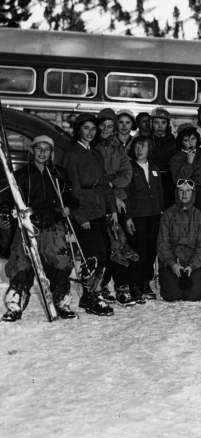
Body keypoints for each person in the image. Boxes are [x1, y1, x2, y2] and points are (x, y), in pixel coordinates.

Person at [2, 136, 77, 322]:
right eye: (38, 148)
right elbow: (7, 200)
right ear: (32, 150)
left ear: (52, 153)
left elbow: (70, 197)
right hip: (28, 226)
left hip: (53, 227)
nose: (42, 152)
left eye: (47, 149)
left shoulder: (59, 174)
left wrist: (69, 206)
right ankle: (15, 306)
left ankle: (61, 303)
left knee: (60, 264)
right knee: (21, 265)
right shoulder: (21, 175)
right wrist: (5, 213)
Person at [64, 113, 118, 316]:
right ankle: (92, 296)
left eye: (93, 129)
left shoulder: (95, 153)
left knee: (101, 253)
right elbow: (73, 188)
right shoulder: (73, 154)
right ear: (78, 130)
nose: (90, 132)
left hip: (99, 209)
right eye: (86, 128)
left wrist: (112, 209)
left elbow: (104, 183)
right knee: (93, 256)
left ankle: (92, 294)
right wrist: (81, 216)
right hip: (85, 211)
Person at [94, 108, 136, 305]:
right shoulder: (92, 147)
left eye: (110, 126)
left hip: (116, 199)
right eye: (103, 125)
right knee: (101, 247)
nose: (106, 129)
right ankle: (99, 286)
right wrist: (109, 192)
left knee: (119, 243)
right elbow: (92, 176)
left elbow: (126, 172)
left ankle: (122, 288)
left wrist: (112, 186)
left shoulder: (117, 147)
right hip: (97, 201)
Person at [170, 123, 201, 283]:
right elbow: (179, 181)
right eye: (186, 140)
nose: (190, 143)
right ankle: (190, 271)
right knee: (190, 232)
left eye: (193, 139)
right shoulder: (177, 158)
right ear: (181, 142)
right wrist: (189, 162)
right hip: (189, 194)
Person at [124, 135, 164, 302]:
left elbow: (159, 191)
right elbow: (125, 195)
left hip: (154, 216)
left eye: (143, 146)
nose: (140, 150)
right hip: (138, 216)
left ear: (150, 149)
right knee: (139, 251)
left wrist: (161, 211)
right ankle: (135, 285)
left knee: (151, 251)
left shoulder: (154, 167)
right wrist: (128, 218)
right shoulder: (129, 168)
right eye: (137, 147)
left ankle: (145, 283)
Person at [157, 179, 201, 302]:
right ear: (176, 193)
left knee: (194, 296)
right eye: (181, 191)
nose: (184, 194)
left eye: (188, 191)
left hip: (191, 264)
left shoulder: (199, 217)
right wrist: (172, 264)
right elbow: (162, 244)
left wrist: (192, 265)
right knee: (172, 296)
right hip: (172, 263)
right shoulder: (168, 215)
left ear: (192, 193)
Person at [150, 107, 177, 209]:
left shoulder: (173, 141)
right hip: (150, 179)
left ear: (168, 124)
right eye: (156, 122)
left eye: (163, 122)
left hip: (168, 180)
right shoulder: (146, 140)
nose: (160, 126)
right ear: (151, 123)